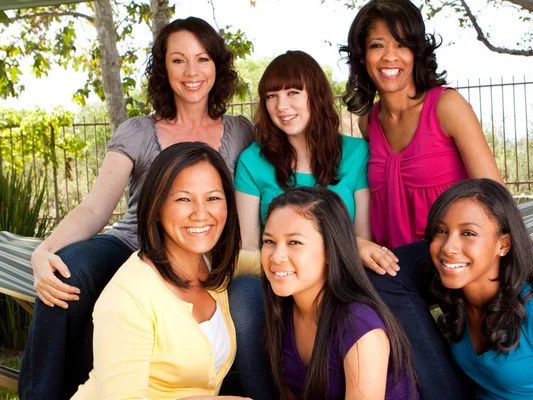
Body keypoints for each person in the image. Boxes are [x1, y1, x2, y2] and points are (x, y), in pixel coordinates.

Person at [20, 17, 255, 400]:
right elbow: (96, 208)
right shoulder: (138, 131)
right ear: (163, 68)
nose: (191, 71)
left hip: (195, 250)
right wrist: (44, 251)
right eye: (178, 60)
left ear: (217, 65)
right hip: (130, 245)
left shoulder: (241, 130)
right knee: (69, 270)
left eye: (202, 58)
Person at [340, 1, 533, 398]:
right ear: (362, 56)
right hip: (404, 265)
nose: (390, 57)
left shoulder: (446, 106)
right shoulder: (368, 121)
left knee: (379, 283)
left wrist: (523, 266)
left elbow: (495, 194)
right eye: (376, 46)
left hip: (451, 252)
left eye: (402, 44)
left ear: (417, 52)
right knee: (357, 283)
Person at [72, 142, 253, 399]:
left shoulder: (212, 263)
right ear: (156, 208)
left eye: (213, 198)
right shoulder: (128, 298)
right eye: (183, 199)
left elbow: (270, 263)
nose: (201, 213)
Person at [425, 178, 533, 399]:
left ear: (503, 245)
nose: (448, 247)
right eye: (441, 231)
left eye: (468, 233)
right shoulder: (457, 306)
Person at [234, 50, 394, 274]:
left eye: (293, 92)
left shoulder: (356, 154)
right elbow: (248, 251)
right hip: (278, 280)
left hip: (340, 280)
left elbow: (362, 240)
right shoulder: (252, 160)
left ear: (316, 94)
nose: (281, 106)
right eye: (272, 96)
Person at [261, 187, 419, 400]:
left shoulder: (359, 325)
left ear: (330, 251)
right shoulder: (282, 306)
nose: (276, 257)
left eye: (294, 242)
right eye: (269, 241)